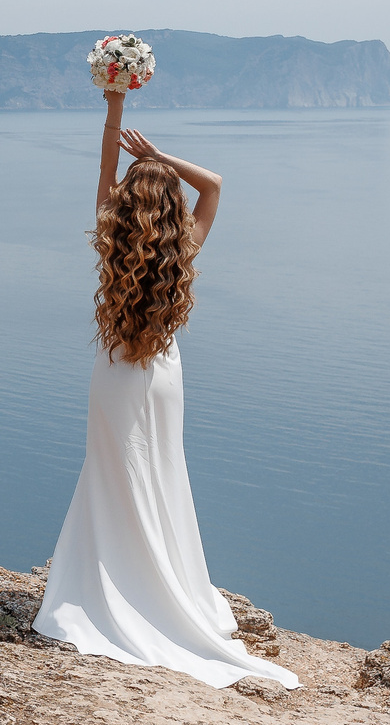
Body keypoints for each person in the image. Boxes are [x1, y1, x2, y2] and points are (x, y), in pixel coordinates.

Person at [30, 89, 301, 689]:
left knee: (113, 473)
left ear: (126, 203)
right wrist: (163, 160)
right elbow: (217, 186)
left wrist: (114, 111)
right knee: (162, 471)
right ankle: (170, 584)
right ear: (172, 206)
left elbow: (104, 165)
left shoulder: (112, 244)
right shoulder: (183, 250)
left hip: (116, 378)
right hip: (163, 377)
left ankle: (113, 583)